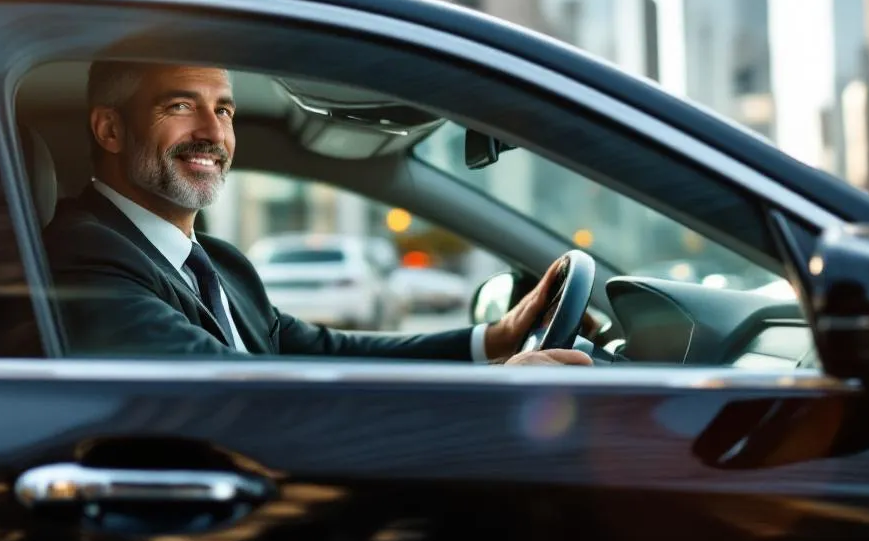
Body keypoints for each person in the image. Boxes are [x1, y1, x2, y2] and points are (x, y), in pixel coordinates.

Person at [42, 61, 592, 367]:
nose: (213, 133)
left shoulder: (222, 265)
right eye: (181, 106)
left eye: (224, 109)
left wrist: (495, 338)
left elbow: (326, 351)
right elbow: (232, 394)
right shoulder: (85, 254)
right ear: (110, 129)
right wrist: (501, 393)